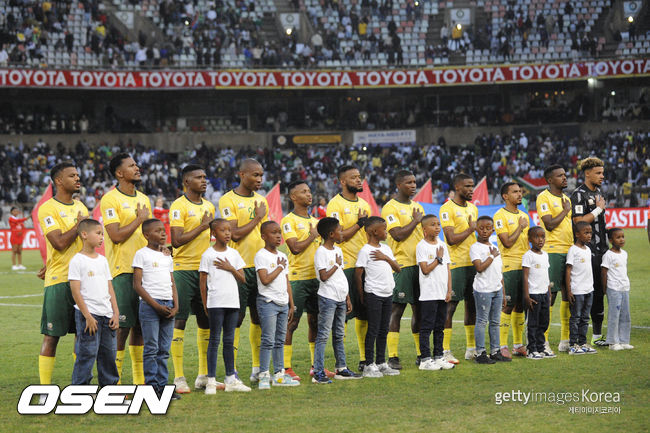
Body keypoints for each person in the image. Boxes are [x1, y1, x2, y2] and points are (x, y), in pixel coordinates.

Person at [37, 162, 89, 390]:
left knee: (83, 336)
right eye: (72, 176)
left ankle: (79, 386)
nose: (78, 178)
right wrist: (78, 225)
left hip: (83, 281)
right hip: (59, 280)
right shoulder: (47, 209)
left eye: (78, 175)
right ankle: (44, 389)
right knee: (52, 336)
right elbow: (58, 243)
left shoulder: (82, 207)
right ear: (59, 181)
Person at [101, 153, 151, 384]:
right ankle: (116, 382)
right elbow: (115, 235)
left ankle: (139, 381)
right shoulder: (110, 200)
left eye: (136, 164)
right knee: (122, 327)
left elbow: (148, 234)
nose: (137, 168)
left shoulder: (144, 199)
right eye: (131, 166)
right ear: (119, 173)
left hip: (145, 270)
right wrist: (139, 219)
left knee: (140, 327)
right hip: (122, 271)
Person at [218, 158, 268, 383]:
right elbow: (235, 234)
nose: (259, 179)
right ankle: (233, 370)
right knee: (236, 319)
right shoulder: (228, 200)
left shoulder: (261, 200)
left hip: (260, 267)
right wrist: (257, 217)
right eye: (255, 175)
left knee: (259, 317)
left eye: (261, 175)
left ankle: (257, 368)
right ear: (242, 174)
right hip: (238, 268)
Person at [169, 165, 215, 393]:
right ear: (187, 182)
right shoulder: (178, 206)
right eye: (198, 177)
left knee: (205, 320)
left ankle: (203, 375)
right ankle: (178, 377)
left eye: (205, 177)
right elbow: (176, 240)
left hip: (205, 270)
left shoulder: (209, 206)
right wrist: (203, 225)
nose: (204, 180)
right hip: (183, 270)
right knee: (180, 321)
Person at [326, 165, 371, 371]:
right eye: (354, 177)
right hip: (343, 267)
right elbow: (339, 236)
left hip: (364, 266)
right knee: (343, 315)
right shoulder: (335, 204)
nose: (359, 180)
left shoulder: (364, 204)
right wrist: (359, 224)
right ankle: (341, 363)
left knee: (364, 313)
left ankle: (364, 359)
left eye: (359, 177)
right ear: (342, 182)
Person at [199, 218, 250, 393]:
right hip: (216, 302)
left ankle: (230, 379)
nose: (227, 233)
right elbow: (202, 281)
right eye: (223, 230)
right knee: (214, 340)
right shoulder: (208, 255)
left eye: (229, 230)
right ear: (214, 233)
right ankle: (211, 381)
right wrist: (205, 303)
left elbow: (243, 279)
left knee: (229, 340)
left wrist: (230, 268)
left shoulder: (234, 254)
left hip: (232, 302)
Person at [132, 218, 181, 399]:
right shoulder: (141, 254)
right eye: (157, 231)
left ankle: (163, 386)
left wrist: (176, 306)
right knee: (151, 348)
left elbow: (172, 282)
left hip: (168, 305)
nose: (163, 233)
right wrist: (156, 306)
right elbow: (137, 285)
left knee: (164, 350)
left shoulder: (166, 256)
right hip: (150, 306)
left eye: (163, 230)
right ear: (146, 235)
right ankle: (152, 387)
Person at [381, 170, 425, 370]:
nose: (413, 185)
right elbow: (397, 235)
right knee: (396, 310)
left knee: (420, 310)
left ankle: (421, 354)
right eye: (409, 182)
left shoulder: (418, 207)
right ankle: (392, 356)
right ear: (398, 185)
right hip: (402, 265)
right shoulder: (390, 207)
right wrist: (415, 220)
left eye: (414, 182)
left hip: (420, 265)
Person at [281, 181, 323, 381]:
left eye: (309, 191)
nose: (309, 194)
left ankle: (316, 366)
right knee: (292, 323)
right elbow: (295, 248)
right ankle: (286, 367)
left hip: (317, 278)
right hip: (297, 278)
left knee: (315, 322)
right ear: (293, 197)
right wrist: (312, 236)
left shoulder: (316, 221)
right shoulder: (288, 220)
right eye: (303, 191)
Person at [68, 219, 120, 385]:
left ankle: (109, 389)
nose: (102, 237)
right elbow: (75, 291)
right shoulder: (77, 260)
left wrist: (116, 313)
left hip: (107, 315)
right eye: (98, 233)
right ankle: (80, 391)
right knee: (87, 355)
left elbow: (109, 287)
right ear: (84, 234)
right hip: (89, 316)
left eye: (102, 234)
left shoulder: (103, 260)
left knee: (109, 356)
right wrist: (88, 317)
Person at [312, 217, 362, 384]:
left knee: (339, 334)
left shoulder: (338, 250)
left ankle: (341, 368)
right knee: (323, 335)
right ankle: (318, 371)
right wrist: (336, 264)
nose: (342, 233)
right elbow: (324, 276)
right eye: (340, 230)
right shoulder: (321, 252)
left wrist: (347, 297)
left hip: (340, 297)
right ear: (331, 234)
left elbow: (340, 275)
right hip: (328, 297)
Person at [355, 216, 401, 378]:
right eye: (384, 229)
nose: (386, 232)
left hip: (387, 293)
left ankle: (381, 362)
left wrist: (385, 258)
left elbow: (398, 268)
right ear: (374, 231)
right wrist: (362, 295)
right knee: (373, 329)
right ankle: (369, 364)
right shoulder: (365, 251)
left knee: (383, 329)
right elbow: (358, 274)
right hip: (373, 293)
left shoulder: (386, 249)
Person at [255, 221, 299, 389]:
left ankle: (279, 375)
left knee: (280, 340)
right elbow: (265, 280)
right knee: (268, 340)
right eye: (273, 233)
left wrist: (291, 304)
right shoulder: (261, 256)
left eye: (279, 232)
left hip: (283, 303)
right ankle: (264, 375)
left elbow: (286, 281)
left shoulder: (283, 256)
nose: (278, 236)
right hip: (268, 302)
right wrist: (279, 267)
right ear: (263, 236)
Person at [439, 173, 478, 364]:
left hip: (473, 263)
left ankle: (471, 349)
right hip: (455, 264)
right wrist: (471, 229)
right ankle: (445, 350)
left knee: (472, 306)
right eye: (467, 186)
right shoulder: (447, 208)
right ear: (457, 187)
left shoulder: (473, 208)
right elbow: (451, 239)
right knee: (450, 307)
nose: (471, 189)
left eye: (472, 186)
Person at [570, 157, 608, 347]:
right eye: (598, 173)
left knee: (600, 293)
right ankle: (576, 338)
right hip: (587, 253)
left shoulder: (599, 193)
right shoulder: (579, 194)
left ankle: (597, 336)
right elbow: (578, 221)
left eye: (602, 173)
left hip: (602, 251)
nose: (602, 176)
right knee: (585, 293)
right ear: (587, 173)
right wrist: (599, 210)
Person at [536, 165, 573, 353]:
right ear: (550, 180)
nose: (564, 178)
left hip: (569, 250)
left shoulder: (567, 199)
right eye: (560, 176)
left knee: (569, 294)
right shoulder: (544, 197)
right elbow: (549, 224)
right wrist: (565, 211)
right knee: (550, 296)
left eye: (565, 175)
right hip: (553, 250)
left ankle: (565, 340)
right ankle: (543, 340)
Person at [493, 182, 530, 358]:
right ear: (505, 196)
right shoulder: (500, 215)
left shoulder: (524, 215)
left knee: (520, 306)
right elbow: (507, 242)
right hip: (509, 264)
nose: (519, 194)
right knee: (507, 305)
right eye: (515, 192)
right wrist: (520, 227)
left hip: (524, 264)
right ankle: (502, 346)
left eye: (520, 191)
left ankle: (518, 345)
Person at [416, 215, 455, 371]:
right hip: (429, 294)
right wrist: (438, 259)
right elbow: (425, 270)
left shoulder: (442, 245)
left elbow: (447, 269)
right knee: (427, 327)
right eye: (433, 225)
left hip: (442, 293)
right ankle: (425, 360)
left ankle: (438, 356)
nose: (437, 227)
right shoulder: (421, 246)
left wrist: (449, 290)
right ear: (424, 229)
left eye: (438, 224)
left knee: (440, 327)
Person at [469, 216, 510, 364]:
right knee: (482, 321)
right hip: (483, 290)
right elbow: (479, 268)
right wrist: (492, 256)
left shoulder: (494, 247)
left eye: (488, 228)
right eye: (481, 228)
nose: (485, 231)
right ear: (476, 229)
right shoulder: (475, 248)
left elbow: (499, 272)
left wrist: (503, 293)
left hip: (496, 289)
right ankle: (480, 353)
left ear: (493, 230)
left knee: (495, 321)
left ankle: (495, 351)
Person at [565, 222, 598, 355]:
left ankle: (582, 343)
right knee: (576, 318)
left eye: (590, 233)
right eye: (586, 233)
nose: (589, 235)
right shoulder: (573, 250)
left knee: (585, 318)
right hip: (577, 290)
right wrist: (569, 290)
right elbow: (568, 270)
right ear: (577, 234)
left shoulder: (588, 249)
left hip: (589, 289)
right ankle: (573, 344)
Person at [522, 226, 553, 360]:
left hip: (544, 293)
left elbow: (546, 276)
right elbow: (525, 276)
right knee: (533, 323)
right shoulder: (528, 256)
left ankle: (541, 347)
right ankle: (532, 349)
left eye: (542, 237)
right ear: (529, 239)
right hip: (533, 294)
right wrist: (526, 295)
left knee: (544, 322)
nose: (540, 240)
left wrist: (549, 293)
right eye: (536, 237)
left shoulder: (545, 255)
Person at [601, 228, 633, 351]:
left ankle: (624, 340)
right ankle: (612, 342)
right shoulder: (608, 255)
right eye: (618, 237)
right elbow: (604, 272)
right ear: (610, 240)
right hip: (613, 288)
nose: (621, 239)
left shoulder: (624, 254)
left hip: (624, 288)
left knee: (625, 315)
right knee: (614, 316)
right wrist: (605, 288)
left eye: (622, 237)